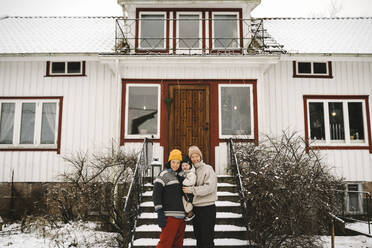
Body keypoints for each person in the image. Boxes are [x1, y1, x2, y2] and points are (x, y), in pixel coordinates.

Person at [183, 146, 218, 248]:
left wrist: (192, 190)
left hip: (207, 208)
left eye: (197, 156)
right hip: (196, 209)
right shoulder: (191, 171)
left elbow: (210, 187)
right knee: (199, 238)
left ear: (200, 156)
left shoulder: (208, 168)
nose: (195, 159)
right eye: (192, 157)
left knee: (207, 239)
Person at [152, 149, 186, 248]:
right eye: (173, 162)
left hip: (182, 217)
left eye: (178, 162)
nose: (175, 165)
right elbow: (156, 194)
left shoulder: (180, 176)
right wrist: (159, 211)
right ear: (169, 162)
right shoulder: (164, 174)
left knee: (178, 245)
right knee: (165, 244)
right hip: (170, 216)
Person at [178, 155, 196, 221]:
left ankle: (190, 213)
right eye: (183, 166)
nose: (184, 167)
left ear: (190, 166)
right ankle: (187, 212)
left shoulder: (191, 173)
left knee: (188, 203)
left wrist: (183, 181)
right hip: (183, 191)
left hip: (189, 191)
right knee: (184, 202)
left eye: (186, 165)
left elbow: (191, 181)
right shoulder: (181, 173)